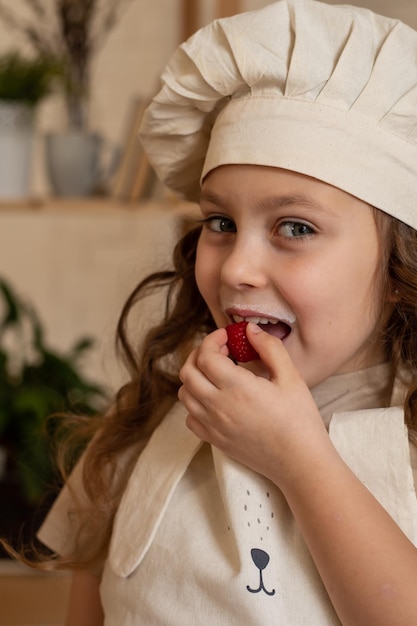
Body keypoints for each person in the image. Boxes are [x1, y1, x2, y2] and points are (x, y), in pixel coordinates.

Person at [29, 0, 417, 623]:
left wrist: (300, 459)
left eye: (295, 226)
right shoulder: (138, 428)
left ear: (400, 271)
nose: (236, 266)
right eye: (221, 222)